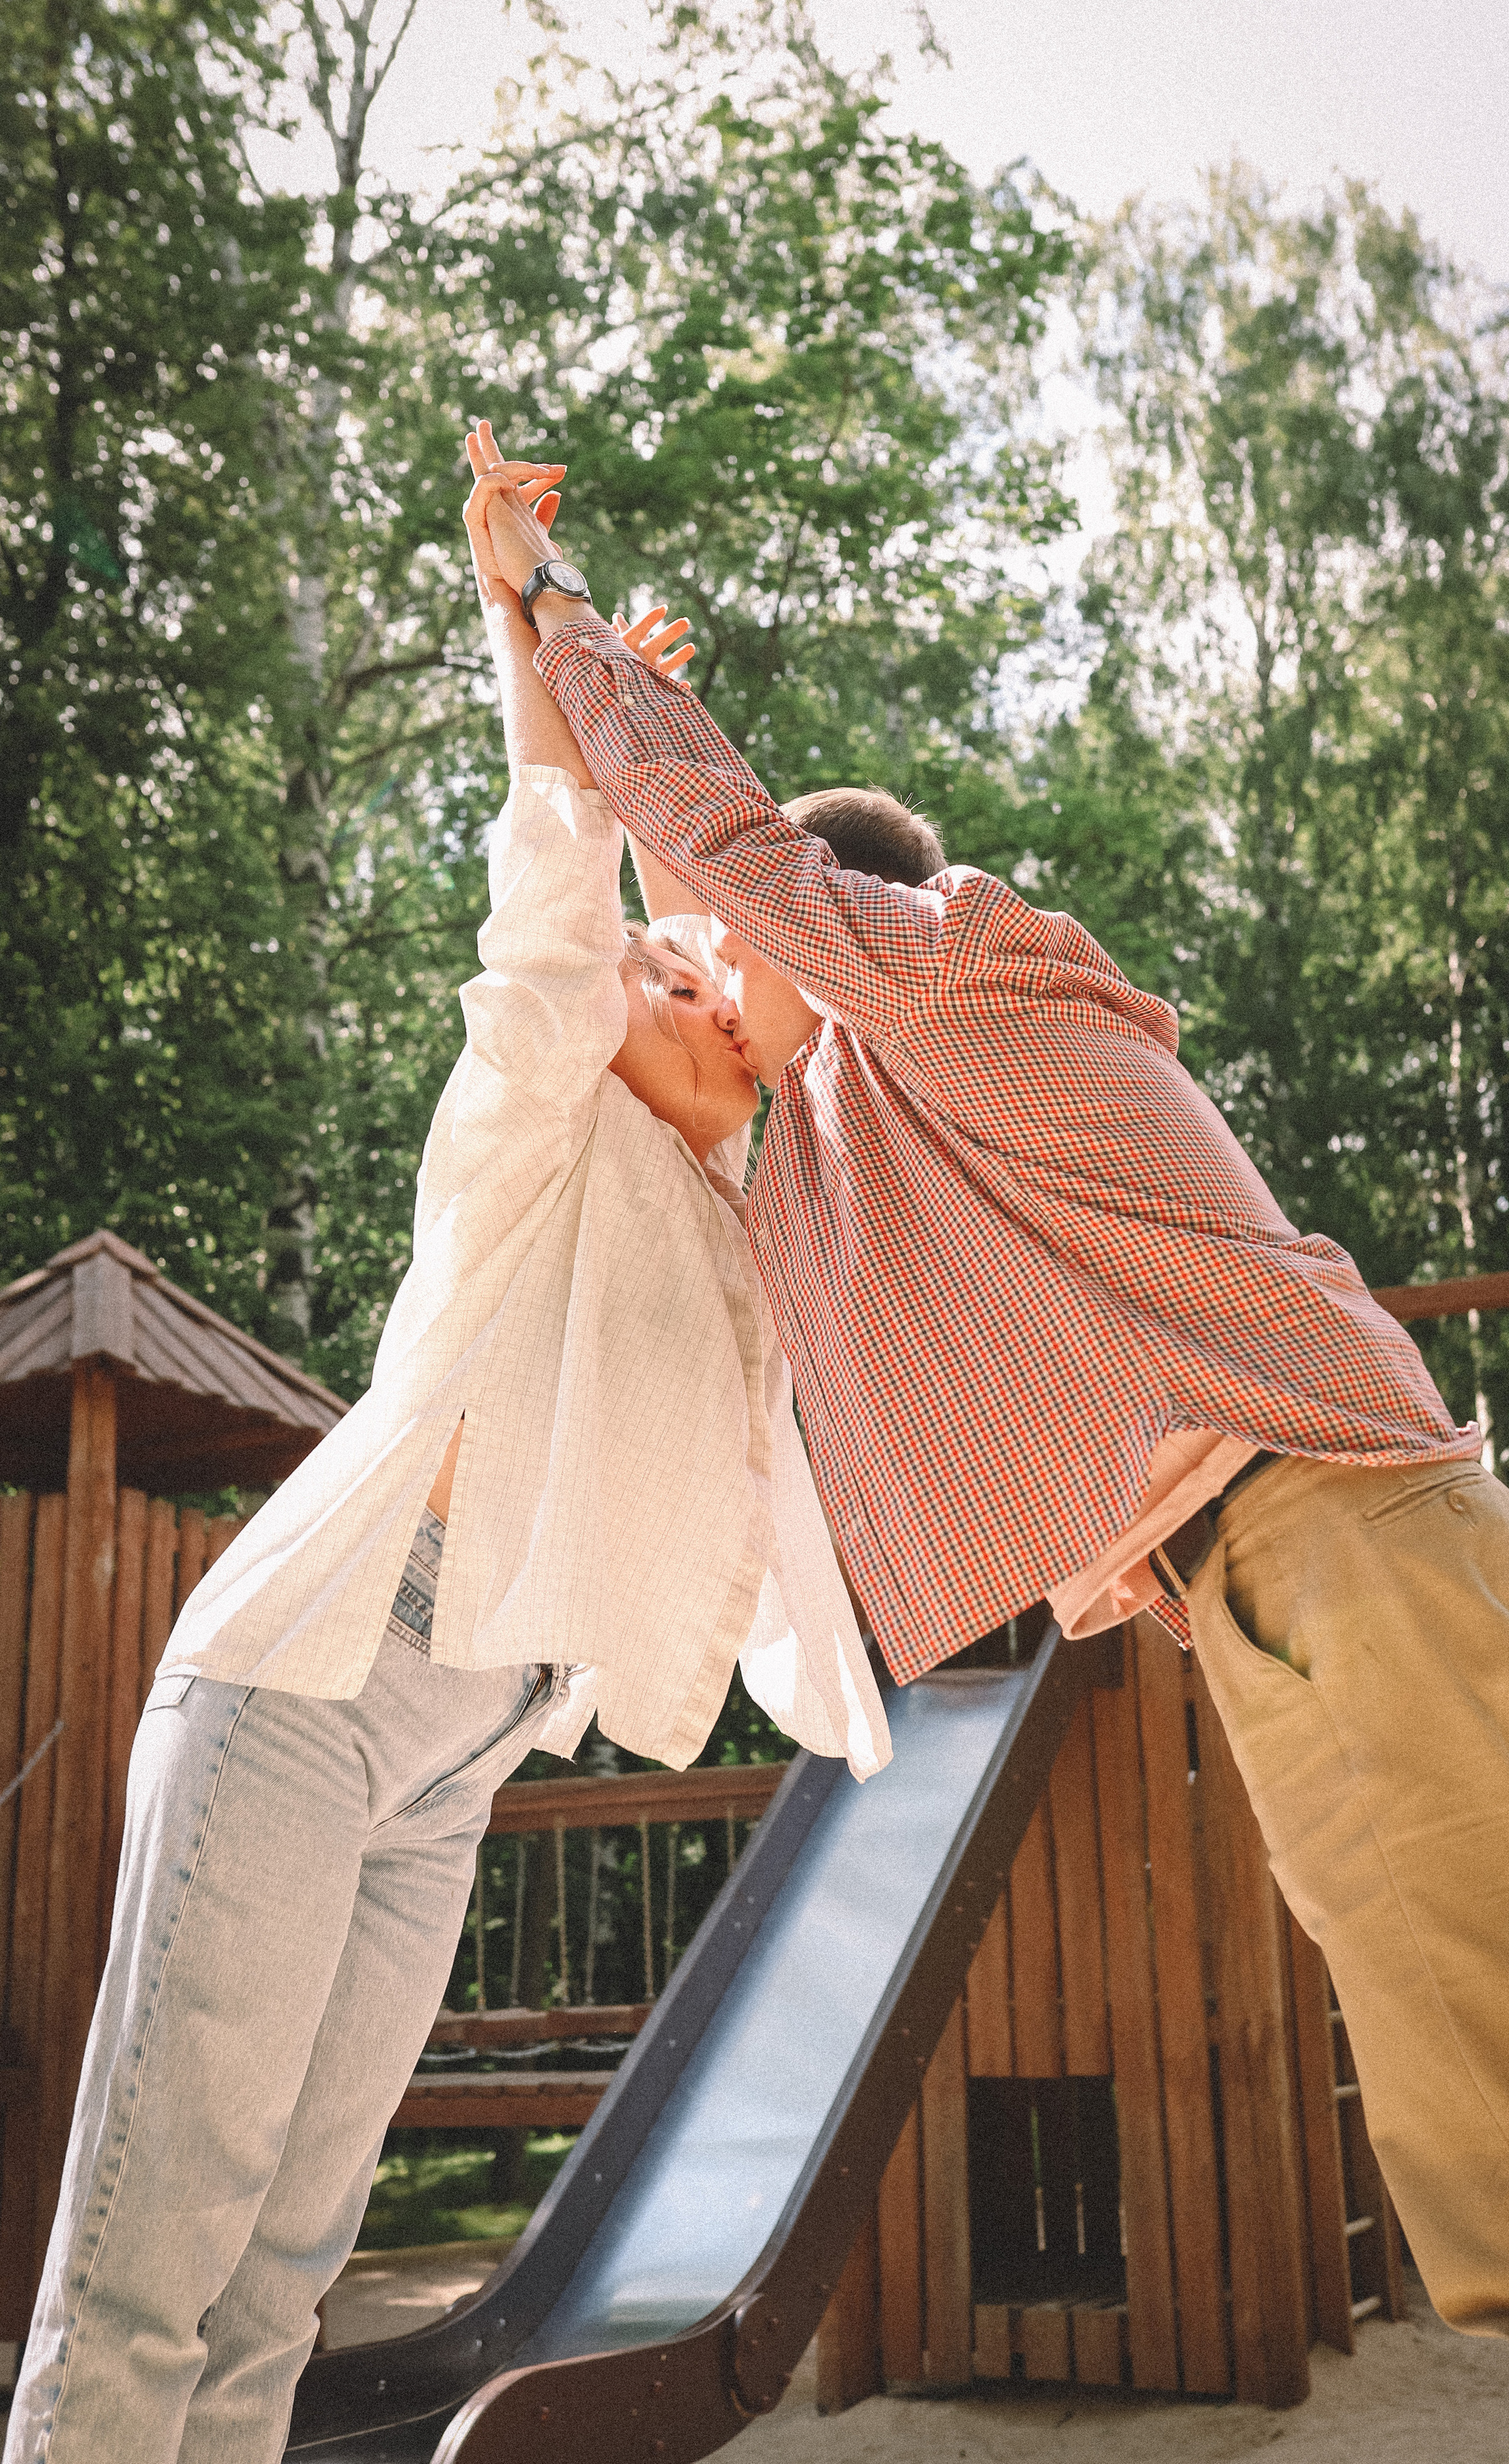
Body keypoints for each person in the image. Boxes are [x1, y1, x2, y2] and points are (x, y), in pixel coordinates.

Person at [466, 427, 1509, 2463]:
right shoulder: (892, 1139)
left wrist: (565, 621)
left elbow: (743, 873)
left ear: (830, 927)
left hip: (1341, 1562)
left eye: (735, 962)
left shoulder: (963, 973)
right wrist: (556, 692)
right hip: (1367, 1558)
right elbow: (681, 958)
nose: (716, 996)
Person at [4, 443, 887, 2464]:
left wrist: (657, 761)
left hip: (452, 1751)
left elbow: (788, 991)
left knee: (280, 2291)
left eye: (696, 976)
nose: (677, 982)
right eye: (650, 970)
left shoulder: (757, 1224)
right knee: (153, 2270)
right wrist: (534, 626)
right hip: (309, 1685)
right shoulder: (535, 1133)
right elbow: (554, 918)